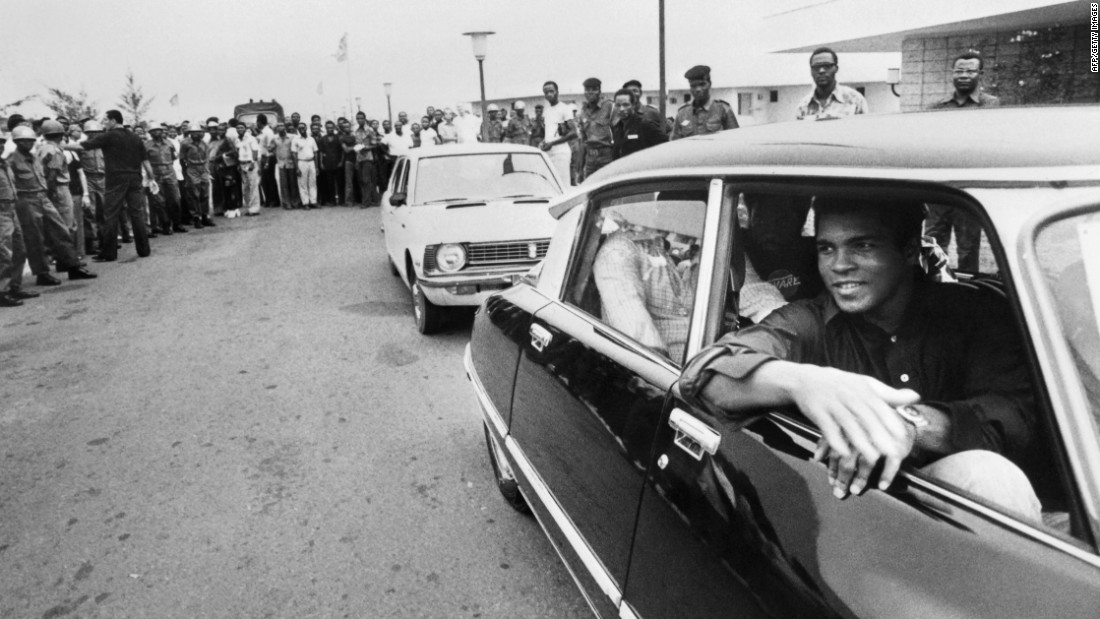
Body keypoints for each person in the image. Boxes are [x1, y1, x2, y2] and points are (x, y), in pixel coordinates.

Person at [679, 197, 1043, 522]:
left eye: (862, 245)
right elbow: (704, 374)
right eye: (826, 248)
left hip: (963, 520)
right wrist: (805, 382)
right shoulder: (811, 320)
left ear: (908, 250)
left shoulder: (972, 314)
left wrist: (904, 426)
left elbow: (1012, 413)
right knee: (989, 475)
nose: (839, 265)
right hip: (853, 518)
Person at [11, 125, 98, 280]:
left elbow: (45, 176)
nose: (28, 144)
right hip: (27, 199)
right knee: (35, 238)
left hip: (43, 196)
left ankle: (72, 266)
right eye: (23, 141)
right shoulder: (12, 161)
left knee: (61, 230)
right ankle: (42, 273)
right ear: (16, 142)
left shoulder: (35, 157)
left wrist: (48, 195)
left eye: (30, 141)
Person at [68, 109, 155, 262]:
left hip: (116, 179)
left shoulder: (109, 136)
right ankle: (144, 249)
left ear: (114, 121)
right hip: (135, 178)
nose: (105, 124)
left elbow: (83, 147)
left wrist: (62, 146)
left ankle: (109, 252)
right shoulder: (135, 137)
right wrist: (152, 178)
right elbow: (145, 161)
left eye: (106, 121)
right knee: (137, 214)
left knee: (110, 214)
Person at [0, 129, 38, 306]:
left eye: (1, 142)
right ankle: (2, 291)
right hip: (1, 212)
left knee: (19, 249)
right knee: (4, 253)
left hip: (11, 208)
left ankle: (14, 286)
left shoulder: (4, 164)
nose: (0, 146)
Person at [797, 47, 868, 121]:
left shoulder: (855, 100)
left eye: (827, 66)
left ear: (836, 68)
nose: (821, 71)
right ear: (811, 71)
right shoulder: (803, 106)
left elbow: (864, 130)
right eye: (816, 67)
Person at [671, 65, 739, 140]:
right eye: (693, 86)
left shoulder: (723, 109)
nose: (698, 89)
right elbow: (674, 143)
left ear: (709, 84)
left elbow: (735, 141)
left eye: (702, 84)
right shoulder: (682, 113)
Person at [144, 124, 186, 233]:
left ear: (162, 131)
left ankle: (177, 224)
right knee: (159, 202)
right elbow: (145, 161)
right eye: (154, 131)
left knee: (175, 199)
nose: (156, 132)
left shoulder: (169, 143)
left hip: (169, 172)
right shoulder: (146, 145)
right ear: (150, 133)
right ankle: (166, 225)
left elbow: (174, 157)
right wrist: (151, 175)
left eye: (159, 130)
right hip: (155, 174)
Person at [611, 88, 667, 161]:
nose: (621, 109)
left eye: (625, 105)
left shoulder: (645, 125)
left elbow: (665, 146)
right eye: (618, 105)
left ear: (633, 105)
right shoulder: (617, 128)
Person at [539, 81, 577, 186]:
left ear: (557, 92)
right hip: (548, 152)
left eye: (551, 91)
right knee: (550, 185)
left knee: (562, 185)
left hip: (560, 153)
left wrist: (552, 143)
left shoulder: (565, 109)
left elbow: (574, 133)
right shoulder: (546, 111)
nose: (549, 94)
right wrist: (544, 142)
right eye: (546, 92)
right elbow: (551, 133)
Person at [577, 78, 615, 180]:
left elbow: (618, 131)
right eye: (587, 90)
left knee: (608, 188)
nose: (590, 93)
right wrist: (580, 169)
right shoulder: (583, 112)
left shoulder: (609, 106)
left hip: (606, 156)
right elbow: (583, 141)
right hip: (590, 158)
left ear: (599, 91)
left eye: (594, 89)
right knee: (590, 190)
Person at [934, 52, 1000, 109]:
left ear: (980, 74)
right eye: (959, 71)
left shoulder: (992, 103)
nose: (964, 76)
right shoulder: (938, 106)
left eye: (970, 71)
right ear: (952, 73)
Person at [179, 123, 213, 228]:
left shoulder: (204, 143)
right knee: (194, 194)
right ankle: (196, 217)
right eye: (193, 132)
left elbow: (207, 158)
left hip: (203, 168)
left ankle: (204, 216)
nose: (196, 134)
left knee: (205, 194)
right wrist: (186, 172)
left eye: (198, 132)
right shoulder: (185, 143)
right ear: (190, 133)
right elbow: (181, 158)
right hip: (192, 168)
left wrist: (207, 171)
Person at [235, 122, 261, 216]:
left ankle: (254, 209)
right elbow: (237, 151)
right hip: (242, 164)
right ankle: (248, 207)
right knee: (245, 187)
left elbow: (255, 151)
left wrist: (253, 162)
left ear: (245, 128)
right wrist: (238, 163)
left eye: (242, 127)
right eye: (238, 128)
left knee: (253, 186)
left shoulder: (251, 138)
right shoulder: (237, 140)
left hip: (250, 164)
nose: (240, 129)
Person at [293, 123, 319, 209]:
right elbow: (294, 154)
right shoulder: (296, 140)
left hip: (311, 162)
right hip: (302, 162)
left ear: (306, 128)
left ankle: (313, 201)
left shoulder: (311, 139)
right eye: (300, 128)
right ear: (298, 129)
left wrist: (316, 166)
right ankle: (305, 203)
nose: (302, 129)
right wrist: (297, 167)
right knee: (302, 183)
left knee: (313, 183)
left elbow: (315, 153)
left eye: (303, 127)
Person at [271, 122, 297, 209]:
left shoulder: (292, 137)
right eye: (278, 126)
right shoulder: (274, 138)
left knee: (293, 183)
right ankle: (286, 203)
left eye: (281, 126)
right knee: (283, 184)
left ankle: (295, 201)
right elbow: (270, 148)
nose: (280, 127)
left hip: (291, 163)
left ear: (285, 127)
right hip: (281, 164)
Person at [318, 121, 344, 205]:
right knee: (330, 183)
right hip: (327, 163)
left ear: (333, 128)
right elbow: (321, 152)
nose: (330, 129)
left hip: (338, 162)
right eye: (328, 128)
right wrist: (321, 163)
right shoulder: (323, 139)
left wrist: (341, 161)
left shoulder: (338, 138)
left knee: (340, 182)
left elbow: (343, 151)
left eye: (331, 127)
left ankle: (341, 200)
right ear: (325, 128)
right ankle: (332, 200)